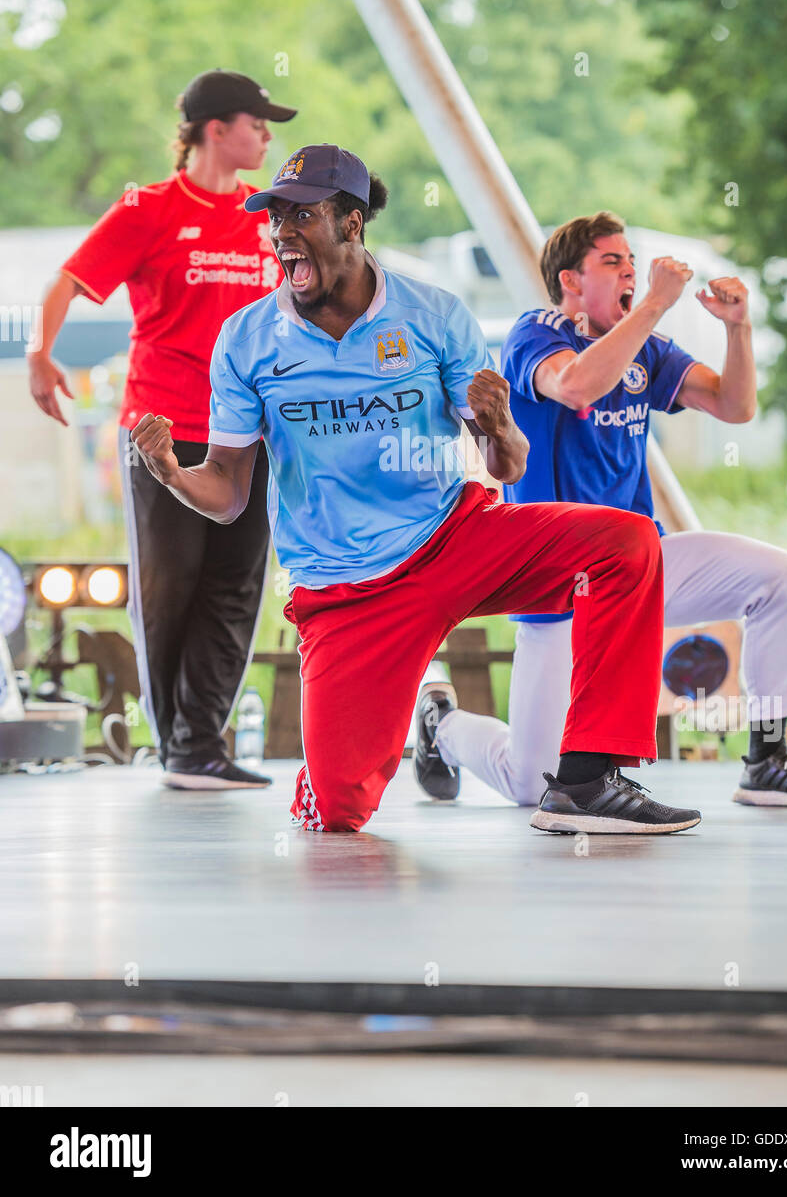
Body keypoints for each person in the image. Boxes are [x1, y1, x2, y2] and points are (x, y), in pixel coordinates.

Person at [131, 147, 702, 835]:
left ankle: (586, 778)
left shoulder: (433, 315)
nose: (282, 232)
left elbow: (509, 466)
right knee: (335, 814)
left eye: (301, 215)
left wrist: (496, 428)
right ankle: (437, 722)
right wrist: (171, 473)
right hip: (348, 590)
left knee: (627, 542)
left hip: (452, 539)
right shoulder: (246, 339)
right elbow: (225, 493)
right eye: (275, 217)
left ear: (350, 223)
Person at [422, 211, 787, 813]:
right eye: (612, 261)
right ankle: (442, 723)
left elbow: (734, 405)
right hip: (558, 581)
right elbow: (575, 387)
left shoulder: (645, 348)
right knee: (530, 784)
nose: (631, 271)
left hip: (635, 569)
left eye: (632, 261)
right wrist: (652, 305)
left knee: (781, 577)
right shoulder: (536, 333)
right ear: (570, 280)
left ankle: (767, 759)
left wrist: (738, 327)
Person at [29, 69, 298, 790]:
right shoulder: (149, 208)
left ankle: (200, 741)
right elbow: (67, 280)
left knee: (237, 585)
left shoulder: (265, 216)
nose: (267, 136)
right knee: (169, 583)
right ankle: (181, 745)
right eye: (256, 123)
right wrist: (38, 355)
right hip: (164, 428)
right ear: (217, 129)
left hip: (248, 435)